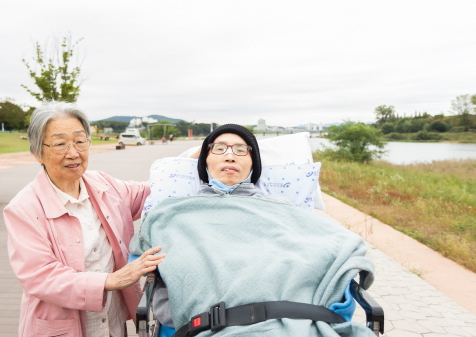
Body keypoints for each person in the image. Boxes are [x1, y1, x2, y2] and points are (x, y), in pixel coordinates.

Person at [131, 124, 375, 336]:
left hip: (294, 318)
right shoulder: (171, 213)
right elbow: (142, 260)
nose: (230, 156)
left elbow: (332, 246)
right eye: (219, 148)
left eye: (240, 149)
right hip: (211, 322)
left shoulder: (284, 209)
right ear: (204, 161)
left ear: (253, 164)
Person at [4, 101, 165, 337]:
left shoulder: (104, 185)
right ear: (37, 152)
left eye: (80, 141)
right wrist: (109, 281)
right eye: (60, 144)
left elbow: (152, 192)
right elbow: (40, 276)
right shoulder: (24, 208)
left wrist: (207, 160)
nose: (73, 153)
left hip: (111, 324)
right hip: (61, 328)